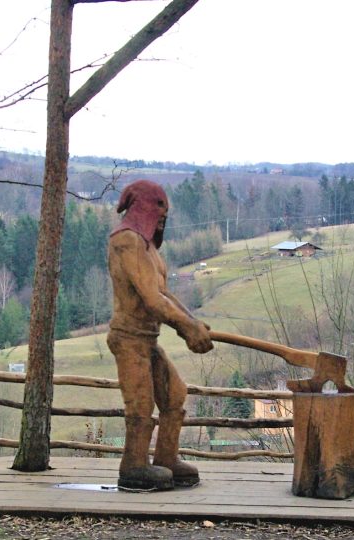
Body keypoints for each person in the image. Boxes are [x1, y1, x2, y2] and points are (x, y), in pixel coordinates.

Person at [107, 179, 213, 491]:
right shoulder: (127, 241)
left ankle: (166, 458)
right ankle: (134, 467)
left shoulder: (148, 247)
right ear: (145, 209)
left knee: (174, 394)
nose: (163, 219)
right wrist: (187, 327)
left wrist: (191, 322)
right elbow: (152, 300)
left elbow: (164, 293)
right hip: (129, 338)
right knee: (141, 404)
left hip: (147, 339)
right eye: (159, 211)